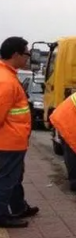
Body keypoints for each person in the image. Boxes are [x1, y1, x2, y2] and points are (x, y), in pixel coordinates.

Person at [0, 36, 40, 228]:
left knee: (15, 177)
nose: (28, 58)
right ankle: (2, 215)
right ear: (15, 54)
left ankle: (18, 207)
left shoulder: (8, 75)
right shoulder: (5, 81)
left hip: (14, 141)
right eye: (26, 54)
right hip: (8, 143)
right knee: (7, 179)